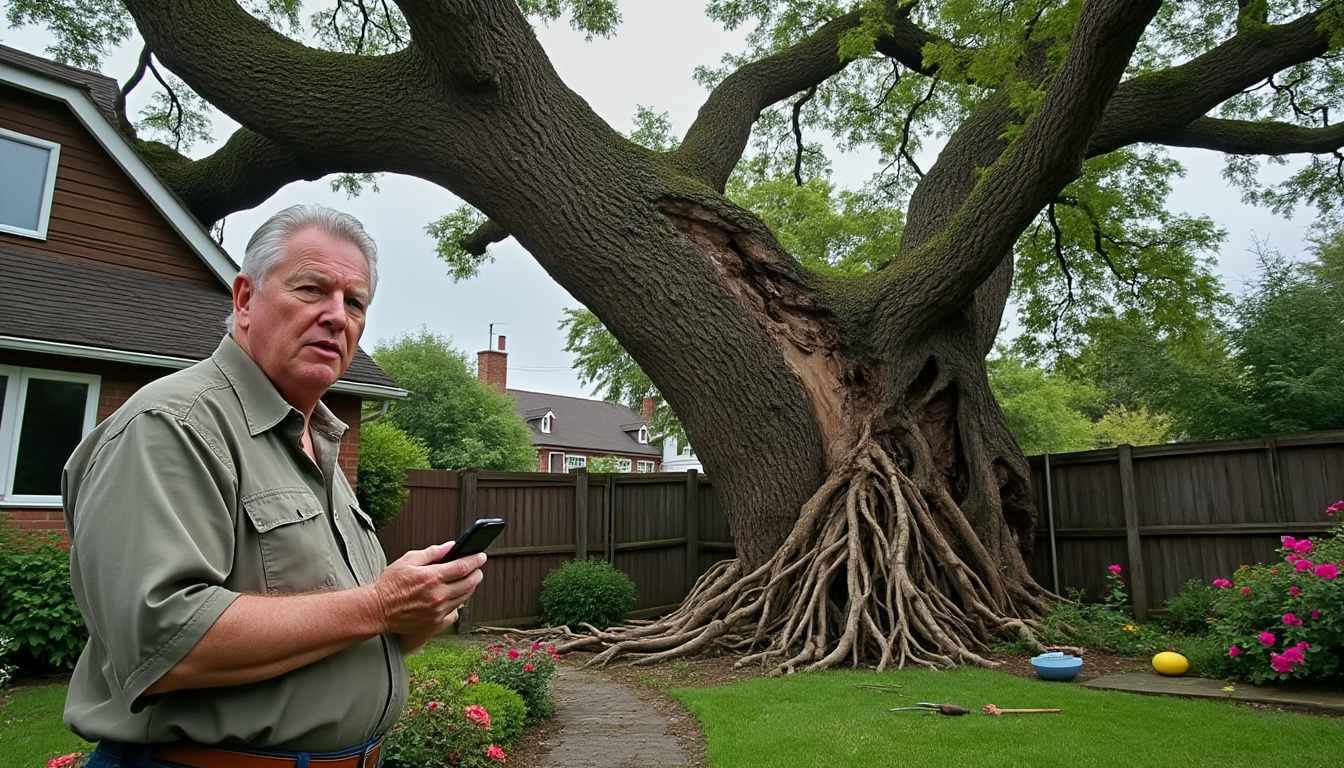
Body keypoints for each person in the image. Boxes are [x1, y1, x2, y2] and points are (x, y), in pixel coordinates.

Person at [62, 205, 484, 768]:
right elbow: (163, 644)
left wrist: (410, 617)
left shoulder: (318, 444)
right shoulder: (172, 424)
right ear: (244, 300)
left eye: (354, 302)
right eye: (312, 289)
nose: (337, 316)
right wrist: (380, 604)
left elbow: (339, 626)